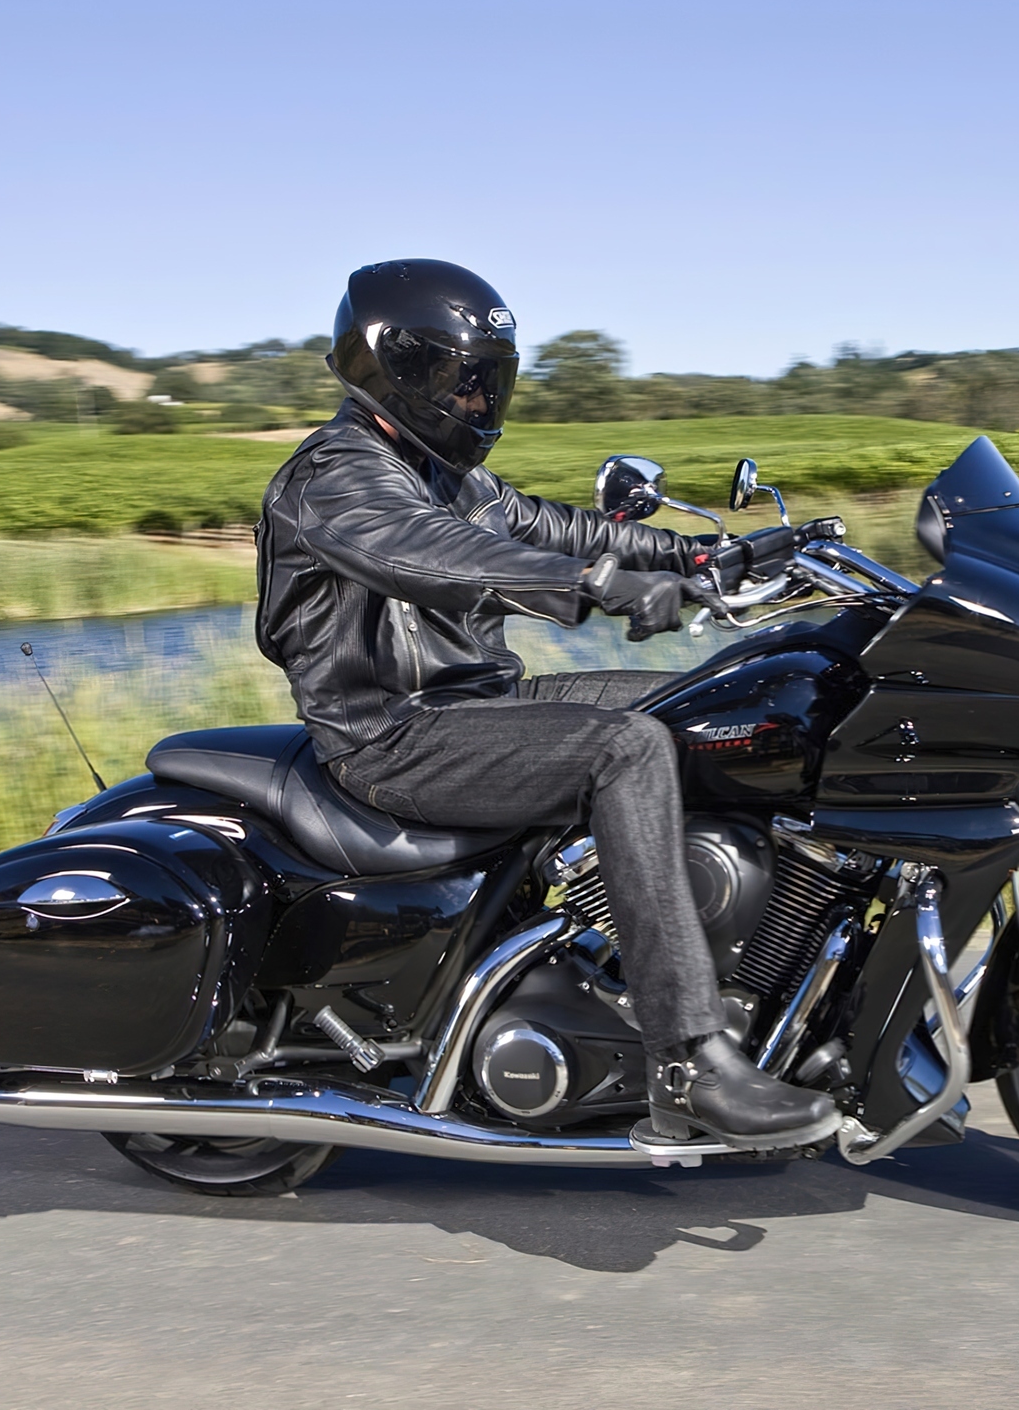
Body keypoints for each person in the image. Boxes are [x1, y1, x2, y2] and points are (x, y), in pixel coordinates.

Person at [255, 259, 840, 1151]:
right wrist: (592, 585)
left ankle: (773, 982)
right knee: (627, 750)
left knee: (729, 705)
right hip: (395, 735)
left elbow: (560, 527)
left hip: (479, 702)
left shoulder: (447, 474)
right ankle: (688, 1058)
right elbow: (429, 552)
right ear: (399, 368)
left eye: (491, 381)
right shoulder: (335, 478)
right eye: (463, 380)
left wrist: (703, 559)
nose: (480, 400)